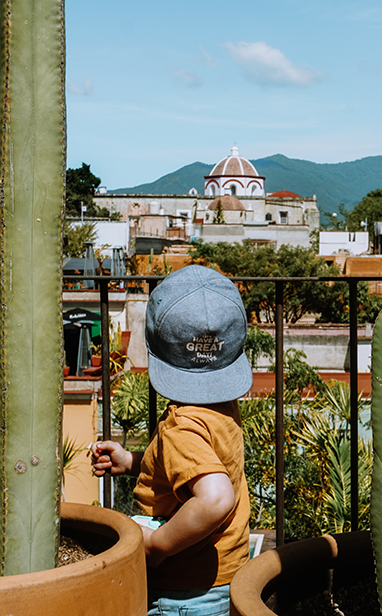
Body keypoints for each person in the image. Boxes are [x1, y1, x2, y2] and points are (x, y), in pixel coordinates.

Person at [90, 264, 252, 616]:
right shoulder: (221, 407)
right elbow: (196, 466)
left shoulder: (180, 425)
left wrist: (157, 546)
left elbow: (215, 498)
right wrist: (133, 462)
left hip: (182, 591)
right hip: (225, 575)